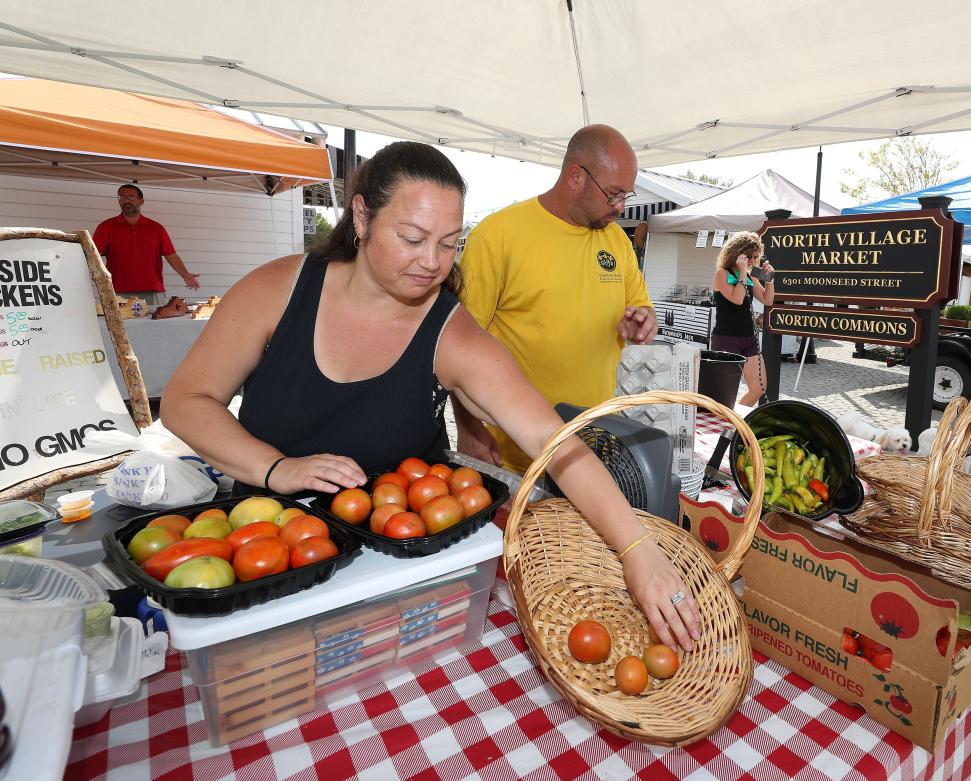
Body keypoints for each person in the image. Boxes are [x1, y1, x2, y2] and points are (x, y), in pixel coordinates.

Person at [160, 142, 700, 649]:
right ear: (363, 217)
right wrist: (277, 468)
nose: (431, 263)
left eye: (449, 243)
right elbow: (188, 399)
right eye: (413, 239)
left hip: (400, 578)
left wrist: (638, 550)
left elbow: (551, 440)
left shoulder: (451, 333)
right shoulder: (275, 290)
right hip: (264, 558)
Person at [454, 124, 656, 471]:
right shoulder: (498, 235)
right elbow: (459, 346)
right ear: (575, 176)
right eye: (613, 194)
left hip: (595, 445)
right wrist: (469, 428)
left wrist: (642, 321)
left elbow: (640, 307)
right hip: (517, 454)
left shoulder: (617, 242)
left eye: (627, 195)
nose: (621, 208)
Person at [93, 184, 199, 306]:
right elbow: (94, 256)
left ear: (141, 201)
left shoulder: (156, 228)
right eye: (122, 196)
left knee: (155, 324)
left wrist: (186, 275)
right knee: (120, 326)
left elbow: (171, 255)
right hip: (118, 292)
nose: (126, 200)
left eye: (131, 197)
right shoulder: (106, 227)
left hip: (153, 292)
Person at [710, 231, 775, 406]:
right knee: (723, 392)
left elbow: (767, 299)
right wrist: (742, 273)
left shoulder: (749, 276)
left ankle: (733, 421)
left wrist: (770, 279)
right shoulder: (722, 274)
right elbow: (737, 299)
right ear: (738, 253)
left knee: (759, 388)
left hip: (748, 339)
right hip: (726, 339)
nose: (753, 261)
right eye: (750, 256)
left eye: (756, 257)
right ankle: (724, 423)